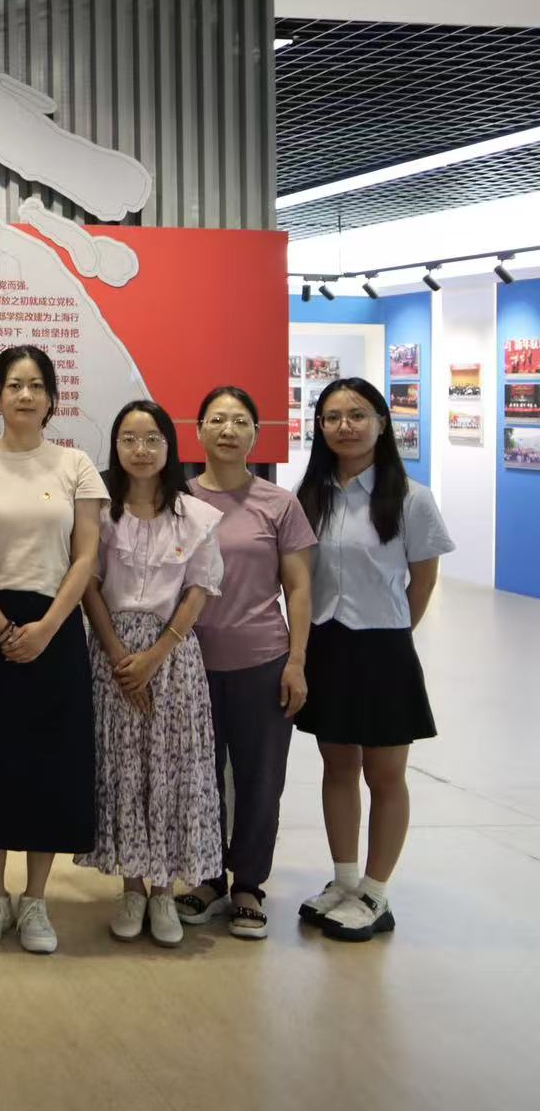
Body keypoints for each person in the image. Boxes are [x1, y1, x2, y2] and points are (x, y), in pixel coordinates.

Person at [0, 345, 106, 955]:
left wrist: (48, 627)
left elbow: (86, 556)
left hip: (56, 629)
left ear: (53, 398)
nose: (26, 395)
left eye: (36, 385)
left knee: (49, 765)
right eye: (14, 385)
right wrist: (1, 625)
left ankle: (35, 898)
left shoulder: (75, 465)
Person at [292, 378, 453, 942]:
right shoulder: (309, 495)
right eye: (333, 417)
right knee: (337, 766)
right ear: (320, 427)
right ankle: (343, 881)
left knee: (385, 775)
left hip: (384, 646)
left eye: (358, 415)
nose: (345, 426)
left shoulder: (411, 498)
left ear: (382, 423)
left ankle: (376, 892)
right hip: (326, 643)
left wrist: (394, 635)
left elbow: (423, 581)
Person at [77, 400, 225, 948]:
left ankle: (164, 891)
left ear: (169, 447)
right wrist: (120, 656)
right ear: (115, 447)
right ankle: (132, 888)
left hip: (173, 659)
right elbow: (89, 586)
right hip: (111, 655)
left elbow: (199, 590)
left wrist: (156, 655)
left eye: (152, 439)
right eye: (129, 440)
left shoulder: (197, 516)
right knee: (123, 768)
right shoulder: (100, 515)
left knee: (170, 767)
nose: (140, 450)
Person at [183, 386, 316, 940]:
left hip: (263, 660)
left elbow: (299, 587)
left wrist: (297, 661)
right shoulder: (180, 500)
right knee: (200, 778)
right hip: (190, 665)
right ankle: (208, 878)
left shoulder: (279, 503)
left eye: (240, 421)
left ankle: (248, 886)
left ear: (256, 435)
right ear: (199, 431)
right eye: (217, 419)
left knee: (261, 781)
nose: (228, 430)